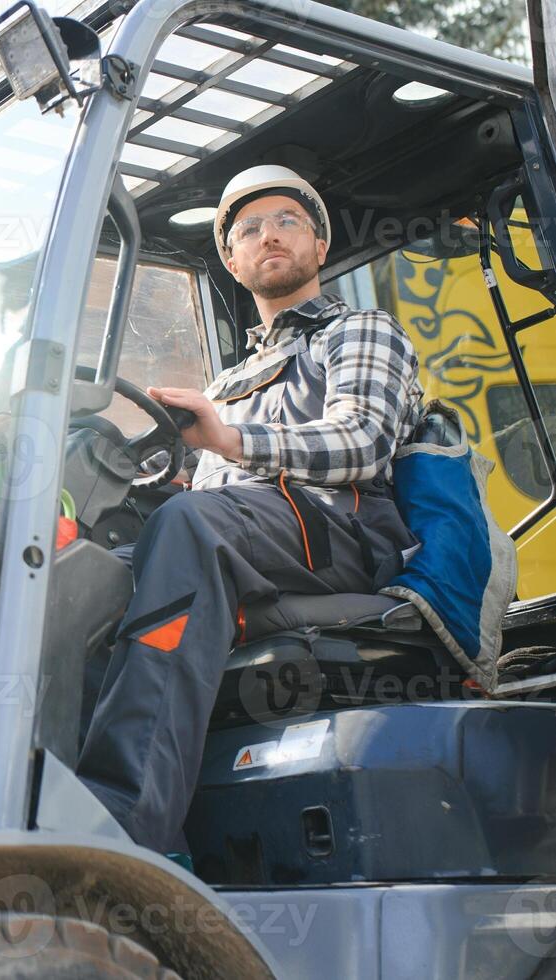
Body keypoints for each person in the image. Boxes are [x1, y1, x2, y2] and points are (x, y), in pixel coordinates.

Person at [74, 165, 426, 853]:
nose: (269, 235)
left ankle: (123, 830)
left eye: (287, 222)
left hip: (339, 530)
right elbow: (197, 489)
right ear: (233, 263)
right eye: (249, 230)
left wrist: (229, 437)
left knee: (188, 528)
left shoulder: (357, 332)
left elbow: (360, 442)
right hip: (243, 535)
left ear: (318, 247)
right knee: (82, 575)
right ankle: (44, 795)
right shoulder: (228, 381)